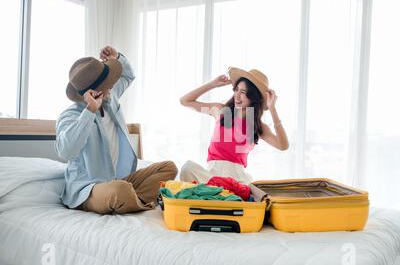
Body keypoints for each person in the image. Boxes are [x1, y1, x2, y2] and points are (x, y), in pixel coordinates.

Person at [56, 45, 178, 214]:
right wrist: (89, 112)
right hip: (89, 188)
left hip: (120, 180)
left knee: (169, 168)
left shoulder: (109, 97)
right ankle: (137, 202)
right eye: (107, 84)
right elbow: (66, 151)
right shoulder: (70, 115)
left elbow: (128, 76)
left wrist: (117, 57)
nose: (112, 86)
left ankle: (128, 200)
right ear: (92, 92)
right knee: (119, 191)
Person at [179, 67, 289, 184]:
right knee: (187, 167)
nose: (237, 96)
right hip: (210, 177)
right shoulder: (220, 111)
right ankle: (218, 194)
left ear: (254, 97)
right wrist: (213, 84)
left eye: (243, 92)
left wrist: (272, 109)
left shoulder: (258, 126)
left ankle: (222, 195)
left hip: (237, 180)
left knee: (248, 190)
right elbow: (185, 101)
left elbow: (283, 145)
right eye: (236, 90)